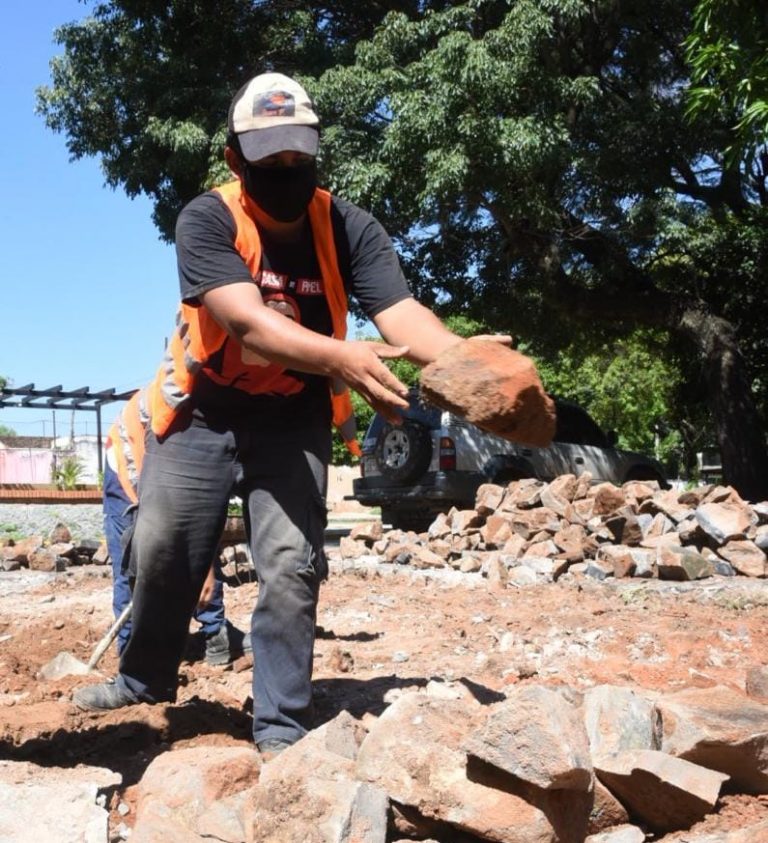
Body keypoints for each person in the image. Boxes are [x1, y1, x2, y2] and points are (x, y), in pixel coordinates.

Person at [73, 71, 509, 760]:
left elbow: (398, 312)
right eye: (268, 158)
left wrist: (462, 359)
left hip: (291, 413)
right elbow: (247, 322)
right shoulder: (207, 219)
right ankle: (144, 677)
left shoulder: (347, 226)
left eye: (297, 156)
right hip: (205, 408)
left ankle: (281, 723)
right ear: (234, 159)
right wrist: (343, 357)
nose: (285, 169)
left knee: (290, 563)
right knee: (163, 549)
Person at [103, 388, 251, 664]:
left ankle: (215, 634)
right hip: (131, 458)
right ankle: (133, 657)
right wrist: (204, 568)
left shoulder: (233, 417)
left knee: (200, 539)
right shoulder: (191, 413)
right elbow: (188, 510)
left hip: (177, 446)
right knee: (131, 556)